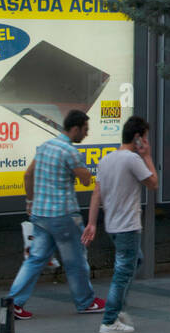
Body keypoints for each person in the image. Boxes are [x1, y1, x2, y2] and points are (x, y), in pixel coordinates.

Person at [7, 109, 106, 318]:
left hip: (40, 215)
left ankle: (13, 303)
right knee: (76, 260)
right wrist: (90, 170)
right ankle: (86, 302)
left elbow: (28, 175)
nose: (86, 134)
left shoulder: (44, 147)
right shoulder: (70, 152)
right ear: (75, 128)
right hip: (63, 216)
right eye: (85, 130)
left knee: (35, 258)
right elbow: (86, 179)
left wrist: (30, 201)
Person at [84, 114, 158, 333]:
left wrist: (91, 223)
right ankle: (110, 320)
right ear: (137, 138)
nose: (146, 142)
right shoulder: (132, 160)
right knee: (122, 272)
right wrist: (148, 156)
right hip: (128, 226)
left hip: (113, 225)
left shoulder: (107, 159)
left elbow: (96, 193)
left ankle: (117, 311)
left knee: (135, 260)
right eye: (145, 138)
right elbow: (154, 183)